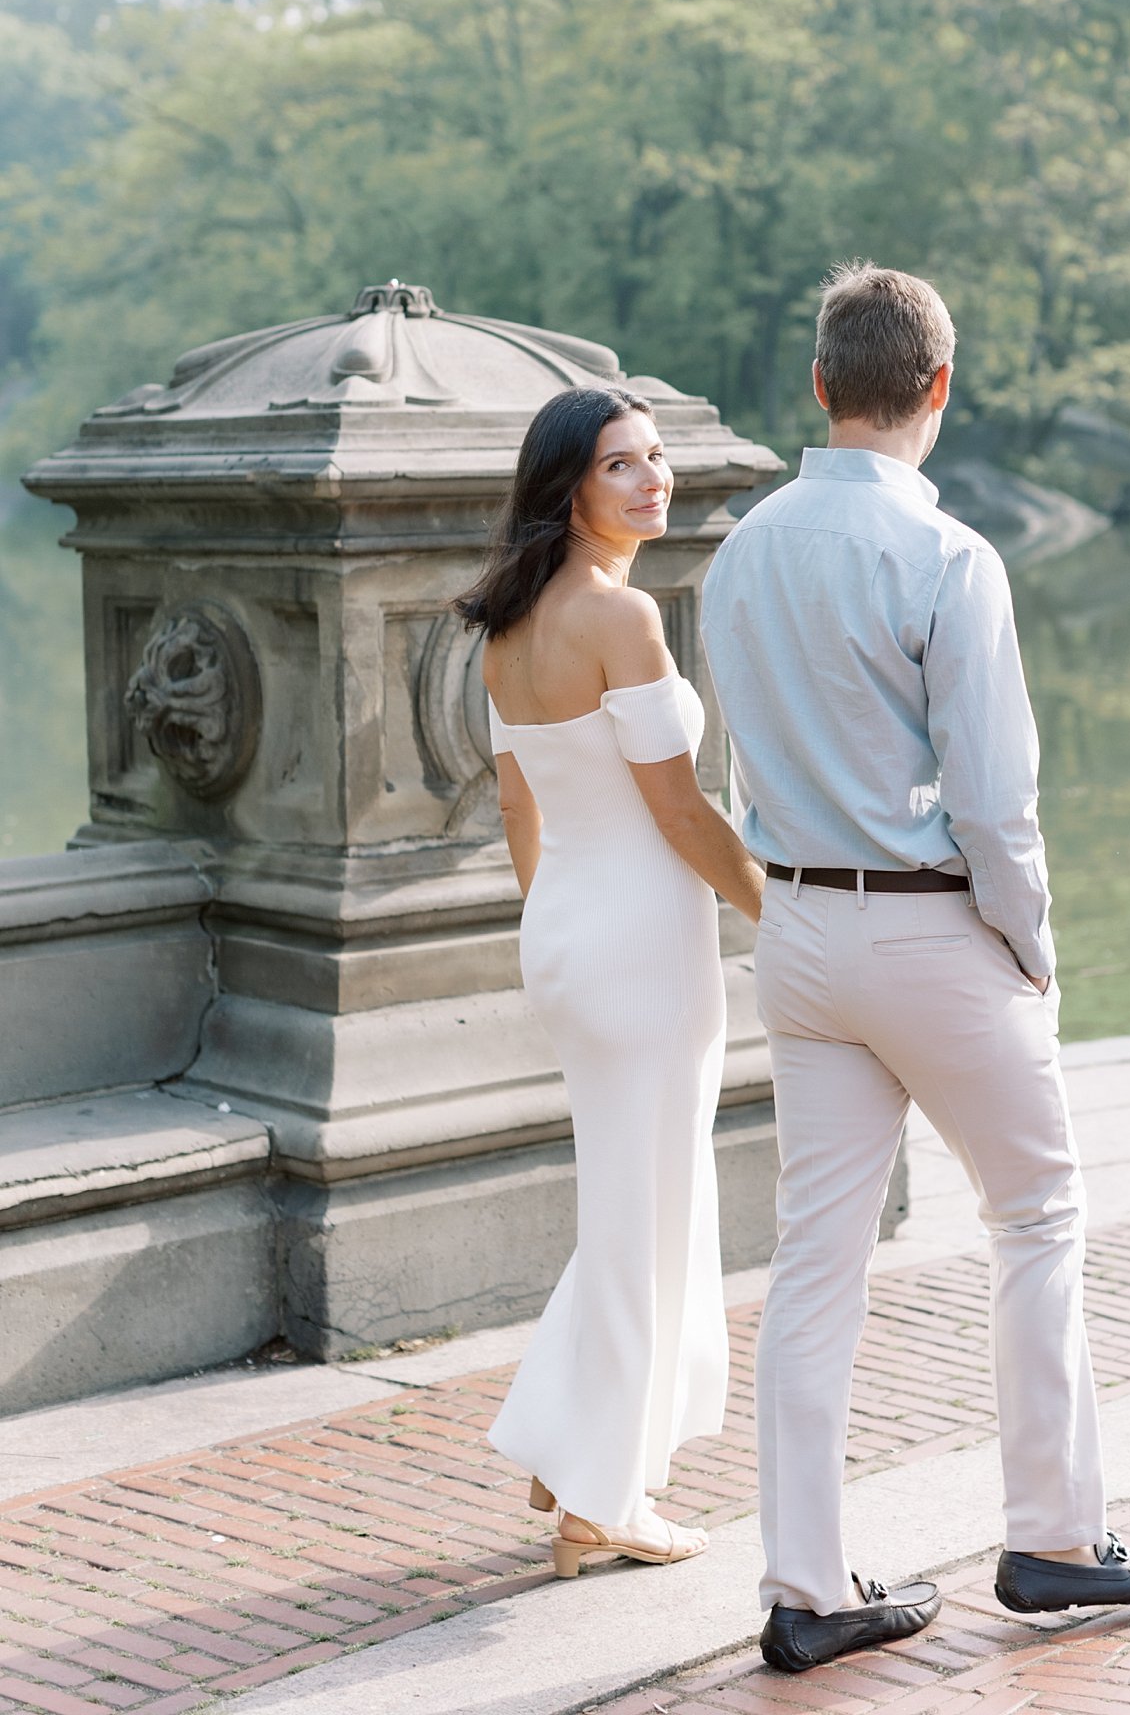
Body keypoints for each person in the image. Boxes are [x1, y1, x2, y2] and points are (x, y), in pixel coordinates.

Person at [701, 263, 1130, 1674]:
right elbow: (994, 800)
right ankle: (1053, 1536)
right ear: (937, 386)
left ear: (818, 386)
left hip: (797, 931)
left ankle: (805, 1585)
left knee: (815, 1264)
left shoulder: (738, 552)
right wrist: (1032, 946)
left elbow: (735, 759)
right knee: (1038, 1211)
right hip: (929, 925)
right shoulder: (949, 558)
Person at [457, 385, 764, 1579]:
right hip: (641, 941)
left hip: (570, 933)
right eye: (620, 465)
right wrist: (773, 911)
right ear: (568, 489)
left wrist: (555, 920)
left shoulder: (507, 626)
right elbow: (678, 806)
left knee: (631, 1202)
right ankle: (601, 1501)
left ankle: (567, 1442)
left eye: (656, 456)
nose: (652, 480)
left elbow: (517, 803)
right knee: (650, 1216)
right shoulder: (622, 616)